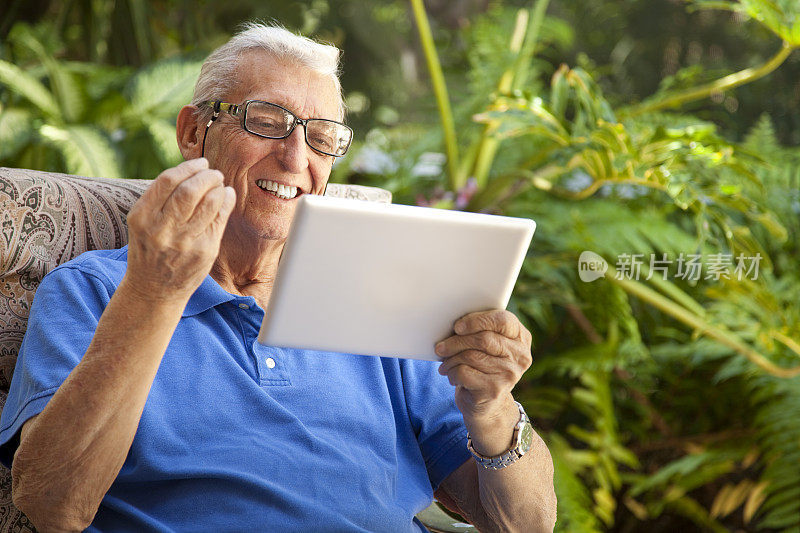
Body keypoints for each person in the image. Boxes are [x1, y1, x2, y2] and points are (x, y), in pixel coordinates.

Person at [0, 23, 556, 532]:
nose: (295, 158)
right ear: (194, 131)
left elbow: (525, 524)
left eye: (321, 138)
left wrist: (492, 407)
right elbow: (53, 505)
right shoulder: (92, 290)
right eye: (267, 122)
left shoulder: (382, 293)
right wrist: (156, 291)